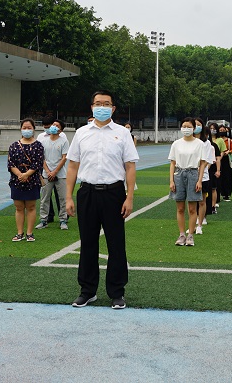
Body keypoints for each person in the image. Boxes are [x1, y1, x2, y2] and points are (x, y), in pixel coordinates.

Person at [66, 90, 139, 309]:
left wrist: (129, 197)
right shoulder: (81, 133)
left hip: (113, 193)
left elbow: (130, 166)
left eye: (106, 104)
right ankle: (87, 291)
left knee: (116, 244)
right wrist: (68, 197)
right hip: (87, 192)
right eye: (98, 103)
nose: (102, 107)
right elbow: (72, 165)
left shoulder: (122, 134)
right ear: (91, 107)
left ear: (113, 108)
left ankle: (117, 292)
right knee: (88, 243)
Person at [169, 117, 207, 246]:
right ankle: (181, 235)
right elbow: (172, 163)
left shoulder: (199, 144)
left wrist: (200, 180)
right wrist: (171, 181)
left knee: (192, 208)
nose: (186, 129)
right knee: (180, 208)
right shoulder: (176, 144)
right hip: (179, 174)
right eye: (184, 126)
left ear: (194, 128)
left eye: (189, 127)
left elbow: (202, 163)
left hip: (193, 173)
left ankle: (190, 235)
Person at [7, 119, 45, 242]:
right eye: (24, 127)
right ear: (20, 129)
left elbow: (38, 163)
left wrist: (27, 174)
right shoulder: (14, 146)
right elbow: (11, 163)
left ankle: (29, 233)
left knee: (31, 207)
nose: (27, 130)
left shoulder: (38, 146)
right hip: (16, 180)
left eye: (29, 128)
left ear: (34, 129)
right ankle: (19, 233)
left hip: (32, 180)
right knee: (19, 207)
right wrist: (20, 175)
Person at [36, 119, 69, 230]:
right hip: (47, 174)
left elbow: (64, 158)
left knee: (62, 198)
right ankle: (43, 220)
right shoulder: (44, 141)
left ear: (61, 130)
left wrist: (55, 172)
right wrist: (48, 171)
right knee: (45, 198)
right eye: (53, 125)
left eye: (57, 126)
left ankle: (63, 220)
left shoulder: (64, 141)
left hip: (60, 174)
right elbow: (42, 158)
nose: (54, 126)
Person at [194, 118, 217, 232]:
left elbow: (207, 161)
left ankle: (200, 224)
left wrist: (201, 171)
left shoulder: (206, 143)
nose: (196, 127)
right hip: (190, 175)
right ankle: (192, 224)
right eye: (194, 125)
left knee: (202, 201)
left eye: (198, 125)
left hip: (203, 176)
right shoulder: (188, 141)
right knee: (191, 202)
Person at [218, 125, 232, 201]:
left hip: (227, 160)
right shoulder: (217, 140)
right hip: (218, 159)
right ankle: (218, 193)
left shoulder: (229, 141)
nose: (222, 132)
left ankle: (226, 194)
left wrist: (228, 152)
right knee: (218, 176)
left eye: (223, 130)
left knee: (227, 177)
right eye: (220, 130)